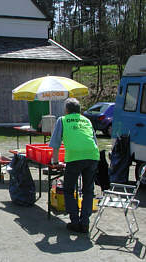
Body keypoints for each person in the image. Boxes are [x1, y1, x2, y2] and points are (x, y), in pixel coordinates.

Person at [49, 98, 99, 233]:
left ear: (66, 110)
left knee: (68, 190)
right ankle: (85, 223)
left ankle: (75, 222)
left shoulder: (63, 120)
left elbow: (55, 143)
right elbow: (94, 141)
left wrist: (54, 162)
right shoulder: (86, 120)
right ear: (79, 110)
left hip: (74, 158)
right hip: (92, 156)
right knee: (88, 191)